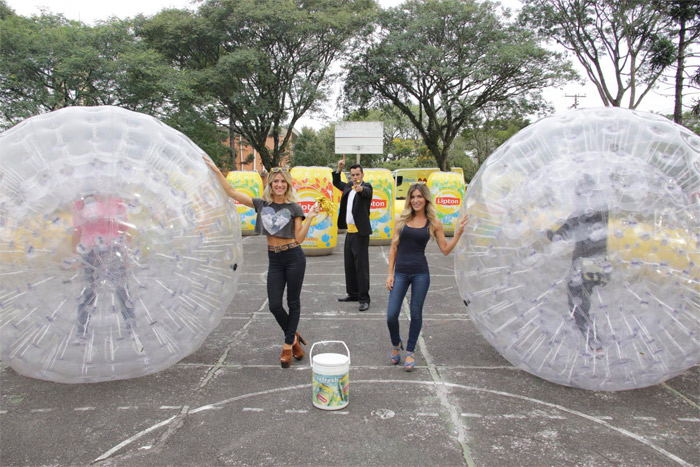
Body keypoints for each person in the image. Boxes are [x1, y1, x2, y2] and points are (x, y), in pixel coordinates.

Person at [204, 156, 319, 368]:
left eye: (283, 181)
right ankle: (294, 337)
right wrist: (215, 170)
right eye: (276, 181)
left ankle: (287, 346)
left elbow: (300, 239)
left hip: (294, 257)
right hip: (274, 259)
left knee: (293, 302)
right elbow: (232, 192)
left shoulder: (294, 208)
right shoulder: (261, 204)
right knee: (275, 305)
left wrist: (309, 217)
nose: (279, 185)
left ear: (287, 185)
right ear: (270, 184)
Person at [386, 183, 467, 371]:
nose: (416, 200)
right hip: (400, 272)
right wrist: (390, 274)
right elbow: (393, 248)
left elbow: (445, 250)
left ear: (426, 199)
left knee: (415, 313)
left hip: (421, 273)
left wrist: (459, 233)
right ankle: (396, 343)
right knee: (391, 315)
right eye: (413, 197)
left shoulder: (434, 223)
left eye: (419, 197)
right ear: (409, 199)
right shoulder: (401, 219)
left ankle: (411, 351)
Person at [72, 194, 135, 340]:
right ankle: (81, 331)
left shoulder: (116, 201)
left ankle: (131, 327)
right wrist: (75, 256)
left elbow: (124, 228)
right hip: (91, 251)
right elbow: (77, 231)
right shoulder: (80, 204)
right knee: (88, 292)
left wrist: (127, 252)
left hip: (114, 249)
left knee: (122, 290)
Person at [333, 155, 373, 311]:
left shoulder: (366, 187)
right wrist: (339, 169)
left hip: (360, 233)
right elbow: (336, 182)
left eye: (358, 174)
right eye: (353, 175)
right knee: (349, 265)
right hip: (349, 232)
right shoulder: (348, 186)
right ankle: (353, 293)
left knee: (361, 266)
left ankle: (364, 298)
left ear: (362, 175)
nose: (355, 177)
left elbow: (367, 192)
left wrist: (360, 188)